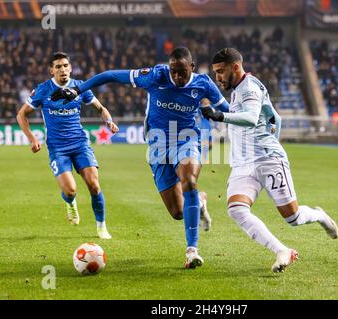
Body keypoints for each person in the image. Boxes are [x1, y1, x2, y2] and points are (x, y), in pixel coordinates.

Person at [51, 47, 230, 268]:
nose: (177, 77)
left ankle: (191, 251)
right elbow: (109, 75)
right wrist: (78, 90)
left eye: (182, 72)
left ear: (191, 67)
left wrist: (227, 117)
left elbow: (228, 110)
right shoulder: (155, 75)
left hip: (186, 140)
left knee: (189, 179)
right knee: (177, 213)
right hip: (157, 146)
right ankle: (199, 201)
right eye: (173, 71)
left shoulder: (204, 84)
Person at [201, 48, 338, 273]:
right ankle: (282, 250)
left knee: (293, 218)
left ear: (235, 67)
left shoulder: (249, 88)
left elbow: (251, 118)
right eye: (216, 72)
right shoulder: (238, 90)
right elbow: (277, 118)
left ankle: (319, 215)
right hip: (243, 165)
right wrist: (272, 135)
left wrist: (220, 115)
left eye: (221, 71)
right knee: (236, 209)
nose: (218, 77)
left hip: (267, 160)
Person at [16, 52, 118, 239]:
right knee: (70, 190)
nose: (62, 69)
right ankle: (71, 203)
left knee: (94, 185)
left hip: (79, 143)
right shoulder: (43, 90)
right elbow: (21, 115)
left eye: (65, 66)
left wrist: (109, 121)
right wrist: (32, 139)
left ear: (70, 68)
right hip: (57, 147)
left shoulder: (80, 87)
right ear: (51, 71)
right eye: (58, 67)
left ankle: (102, 226)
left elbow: (101, 108)